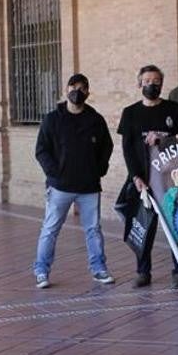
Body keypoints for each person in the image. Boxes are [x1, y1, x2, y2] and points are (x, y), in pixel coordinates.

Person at [33, 73, 115, 288]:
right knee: (50, 229)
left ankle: (99, 269)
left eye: (81, 88)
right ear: (65, 89)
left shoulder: (95, 119)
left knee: (93, 230)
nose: (76, 91)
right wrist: (54, 173)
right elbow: (41, 150)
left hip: (89, 186)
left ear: (88, 92)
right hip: (60, 187)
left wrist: (99, 170)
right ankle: (41, 271)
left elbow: (107, 146)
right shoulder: (52, 119)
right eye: (72, 86)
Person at [119, 65, 178, 288]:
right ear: (139, 84)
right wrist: (135, 177)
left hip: (172, 179)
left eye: (156, 80)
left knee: (177, 225)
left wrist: (164, 138)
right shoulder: (130, 113)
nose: (152, 84)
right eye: (147, 80)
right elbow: (127, 148)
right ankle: (143, 271)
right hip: (145, 181)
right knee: (145, 227)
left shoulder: (174, 109)